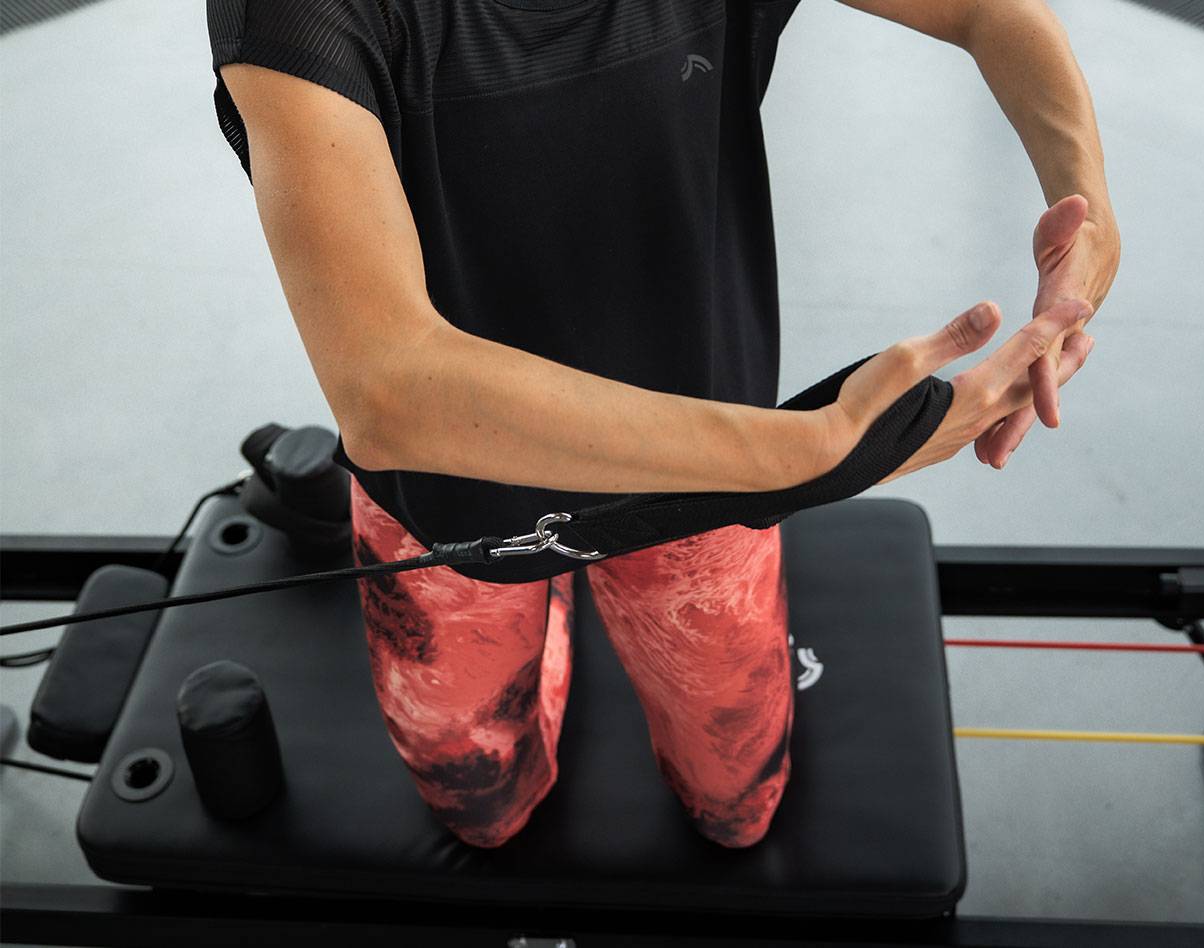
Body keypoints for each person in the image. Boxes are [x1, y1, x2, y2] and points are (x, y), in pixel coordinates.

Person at [205, 0, 1119, 849]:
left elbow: (987, 9)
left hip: (707, 468)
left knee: (739, 806)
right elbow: (389, 391)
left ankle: (578, 596)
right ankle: (557, 596)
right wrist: (807, 453)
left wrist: (1088, 208)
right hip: (454, 499)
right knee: (482, 808)